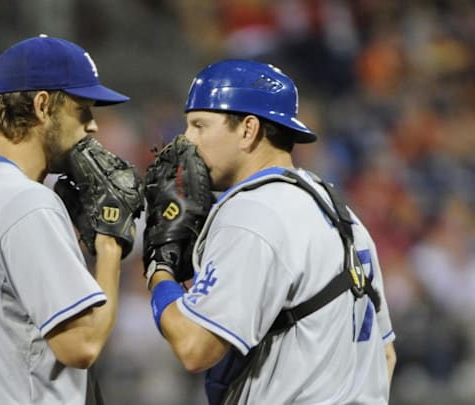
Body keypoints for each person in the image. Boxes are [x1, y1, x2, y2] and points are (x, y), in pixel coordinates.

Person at [143, 60, 397, 404]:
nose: (187, 139)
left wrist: (160, 271)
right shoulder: (340, 211)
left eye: (200, 125)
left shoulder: (253, 214)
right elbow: (386, 354)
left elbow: (194, 347)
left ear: (248, 129)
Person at [0, 35, 133, 404]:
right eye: (83, 109)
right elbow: (80, 344)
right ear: (42, 105)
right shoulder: (28, 203)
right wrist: (110, 247)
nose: (93, 126)